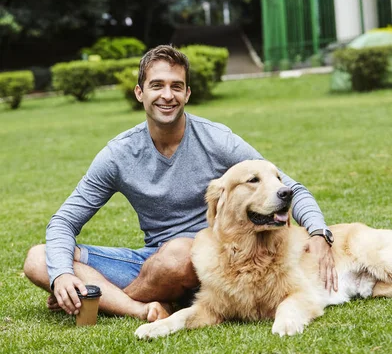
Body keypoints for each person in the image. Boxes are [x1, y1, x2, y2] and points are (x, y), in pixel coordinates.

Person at [24, 45, 337, 323]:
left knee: (179, 254)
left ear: (187, 93)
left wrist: (319, 231)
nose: (167, 95)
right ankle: (138, 308)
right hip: (152, 263)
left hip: (212, 263)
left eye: (177, 86)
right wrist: (63, 274)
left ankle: (102, 299)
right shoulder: (118, 155)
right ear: (139, 93)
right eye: (156, 85)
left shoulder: (218, 140)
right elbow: (64, 221)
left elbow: (289, 187)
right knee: (39, 258)